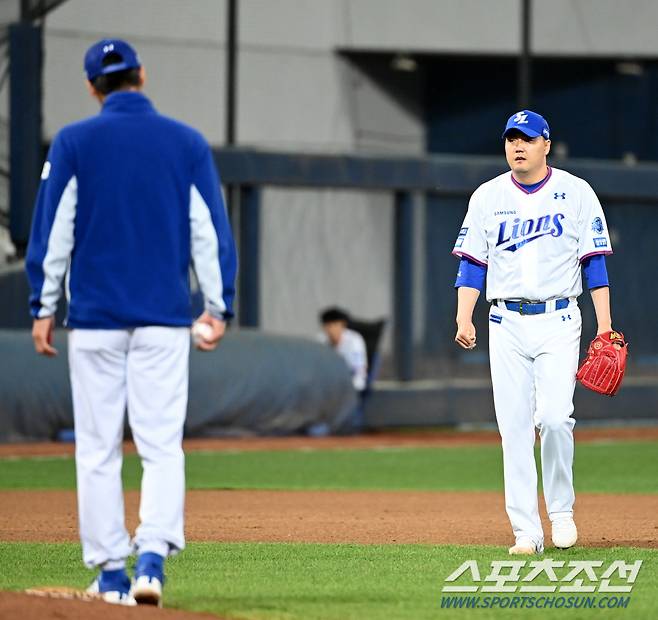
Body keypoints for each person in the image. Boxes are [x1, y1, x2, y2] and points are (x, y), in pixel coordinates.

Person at [25, 39, 237, 605]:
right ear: (141, 74)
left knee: (97, 448)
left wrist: (42, 306)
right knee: (161, 444)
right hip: (165, 320)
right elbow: (209, 233)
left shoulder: (73, 141)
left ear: (93, 86)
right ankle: (152, 563)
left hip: (94, 319)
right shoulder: (186, 143)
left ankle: (111, 573)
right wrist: (217, 307)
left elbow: (54, 234)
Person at [452, 110, 614, 555]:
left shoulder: (576, 192)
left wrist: (605, 326)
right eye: (510, 139)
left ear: (546, 143)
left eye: (526, 138)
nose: (517, 146)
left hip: (560, 319)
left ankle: (561, 511)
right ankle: (527, 531)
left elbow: (594, 262)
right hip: (504, 321)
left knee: (556, 418)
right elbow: (472, 264)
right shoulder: (487, 196)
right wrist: (464, 316)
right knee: (515, 427)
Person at [317, 307, 368, 433]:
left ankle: (344, 427)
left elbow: (357, 369)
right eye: (327, 325)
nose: (331, 329)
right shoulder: (320, 340)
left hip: (352, 383)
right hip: (327, 386)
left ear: (343, 325)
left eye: (335, 324)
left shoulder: (354, 341)